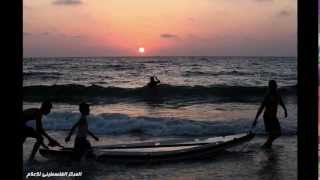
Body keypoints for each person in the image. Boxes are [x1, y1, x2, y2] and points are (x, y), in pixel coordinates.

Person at [252, 80, 288, 148]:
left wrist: (285, 110)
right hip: (267, 117)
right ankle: (267, 145)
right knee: (274, 133)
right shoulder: (267, 96)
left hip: (273, 117)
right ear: (270, 87)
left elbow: (281, 102)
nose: (274, 87)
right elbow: (261, 108)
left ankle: (267, 144)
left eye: (274, 85)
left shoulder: (277, 94)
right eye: (272, 86)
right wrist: (255, 119)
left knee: (278, 133)